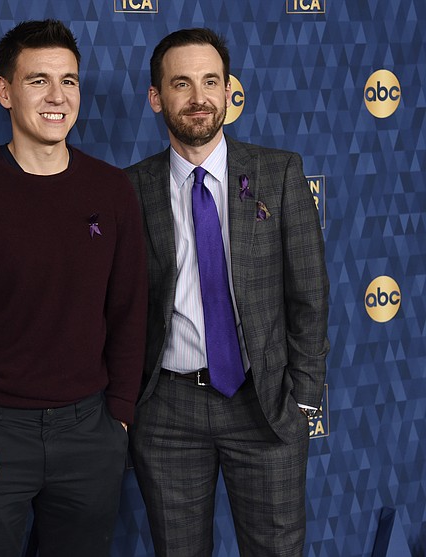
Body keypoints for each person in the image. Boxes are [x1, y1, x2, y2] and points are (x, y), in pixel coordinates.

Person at [0, 19, 147, 557]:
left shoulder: (112, 190)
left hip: (91, 431)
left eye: (68, 81)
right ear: (5, 92)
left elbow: (131, 310)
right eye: (38, 80)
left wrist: (118, 415)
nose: (56, 96)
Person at [126, 27, 330, 556]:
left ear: (227, 91)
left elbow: (309, 294)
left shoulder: (280, 174)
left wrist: (304, 400)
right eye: (182, 84)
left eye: (211, 82)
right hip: (167, 412)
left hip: (264, 406)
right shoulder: (129, 189)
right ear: (156, 97)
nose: (199, 99)